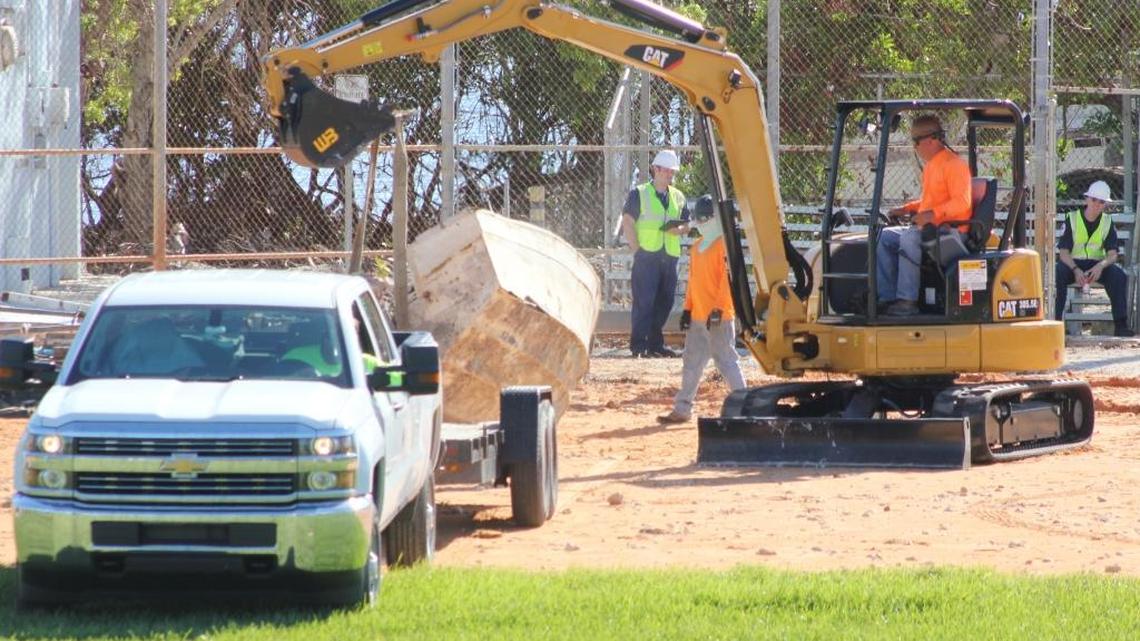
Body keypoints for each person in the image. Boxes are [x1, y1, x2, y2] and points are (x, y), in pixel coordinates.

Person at [658, 195, 746, 424]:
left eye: (706, 219)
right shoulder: (697, 247)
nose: (702, 223)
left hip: (719, 318)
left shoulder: (724, 246)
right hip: (698, 317)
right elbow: (693, 281)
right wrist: (688, 309)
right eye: (700, 219)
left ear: (718, 219)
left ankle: (745, 407)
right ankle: (682, 409)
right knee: (691, 363)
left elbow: (728, 282)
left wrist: (718, 308)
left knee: (726, 362)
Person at [877, 114, 973, 316]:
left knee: (909, 238)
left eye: (916, 141)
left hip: (952, 231)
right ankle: (886, 298)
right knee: (884, 237)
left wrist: (931, 215)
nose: (914, 147)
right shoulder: (932, 166)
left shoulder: (954, 165)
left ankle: (907, 301)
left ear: (931, 139)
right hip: (930, 228)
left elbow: (962, 202)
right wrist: (906, 209)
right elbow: (930, 202)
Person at [621, 149, 691, 357]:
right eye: (666, 170)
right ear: (655, 169)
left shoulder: (678, 196)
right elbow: (628, 222)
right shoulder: (639, 193)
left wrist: (679, 230)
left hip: (669, 257)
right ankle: (639, 346)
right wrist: (637, 251)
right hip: (647, 256)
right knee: (644, 302)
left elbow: (687, 223)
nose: (670, 174)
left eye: (672, 171)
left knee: (665, 302)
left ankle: (654, 345)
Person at [1054, 180, 1134, 337]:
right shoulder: (1072, 218)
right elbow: (1063, 253)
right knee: (1058, 273)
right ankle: (1056, 324)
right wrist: (1075, 269)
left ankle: (1121, 326)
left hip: (1097, 266)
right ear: (1087, 199)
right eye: (1094, 199)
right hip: (1073, 264)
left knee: (1119, 276)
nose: (1097, 204)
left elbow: (1112, 255)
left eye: (1101, 201)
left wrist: (1100, 266)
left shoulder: (1107, 221)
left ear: (1105, 204)